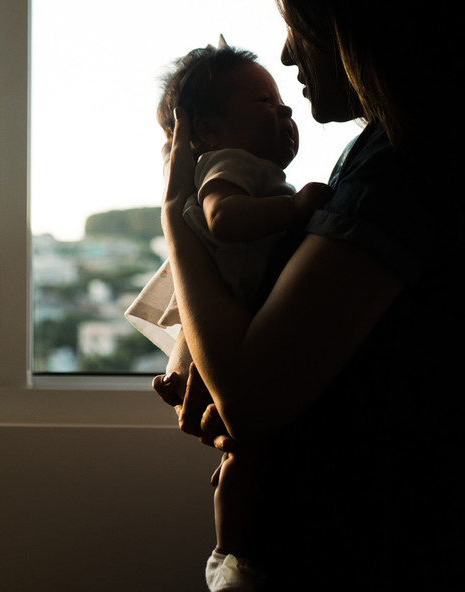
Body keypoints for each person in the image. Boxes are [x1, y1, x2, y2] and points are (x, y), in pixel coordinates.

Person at [153, 0, 465, 590]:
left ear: (367, 21)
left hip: (369, 560)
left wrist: (177, 218)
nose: (285, 54)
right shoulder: (394, 159)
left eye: (300, 22)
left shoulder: (406, 175)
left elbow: (250, 394)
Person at [125, 39, 330, 587]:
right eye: (264, 102)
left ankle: (234, 548)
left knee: (244, 455)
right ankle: (232, 557)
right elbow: (220, 219)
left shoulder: (246, 168)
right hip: (233, 314)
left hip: (231, 320)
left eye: (282, 101)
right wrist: (295, 206)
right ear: (208, 132)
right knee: (245, 450)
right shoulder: (230, 165)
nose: (284, 110)